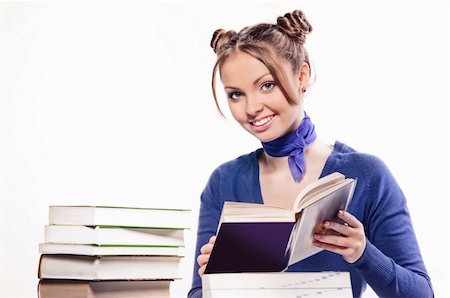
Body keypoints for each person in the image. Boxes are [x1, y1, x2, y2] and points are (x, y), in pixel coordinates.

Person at [188, 9, 433, 298]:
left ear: (301, 75)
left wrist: (363, 253)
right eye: (235, 94)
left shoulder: (367, 174)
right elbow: (197, 294)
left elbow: (421, 293)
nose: (251, 107)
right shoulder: (224, 181)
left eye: (267, 85)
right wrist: (217, 285)